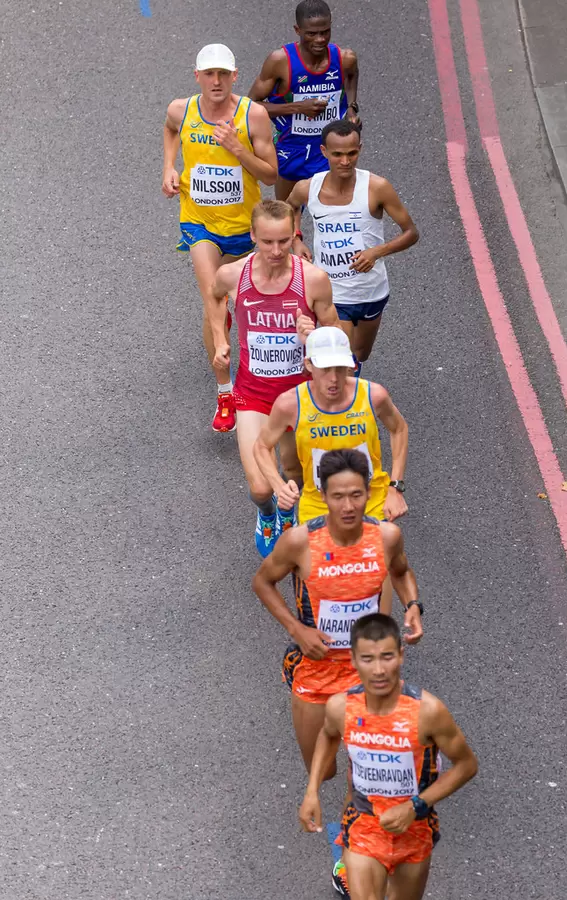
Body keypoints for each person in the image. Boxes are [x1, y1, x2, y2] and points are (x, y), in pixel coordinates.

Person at [252, 449, 423, 780]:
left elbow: (401, 572)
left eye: (357, 495)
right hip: (316, 671)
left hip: (370, 670)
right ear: (324, 496)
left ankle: (357, 821)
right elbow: (262, 582)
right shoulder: (299, 542)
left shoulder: (386, 537)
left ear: (368, 493)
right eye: (339, 496)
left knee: (368, 769)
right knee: (323, 769)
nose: (348, 506)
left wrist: (413, 607)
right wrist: (297, 631)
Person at [299, 613, 478, 900]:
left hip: (415, 828)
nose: (379, 670)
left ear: (401, 656)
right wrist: (311, 791)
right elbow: (328, 735)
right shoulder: (341, 707)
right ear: (355, 660)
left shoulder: (428, 712)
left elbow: (467, 765)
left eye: (387, 657)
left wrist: (415, 805)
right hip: (364, 824)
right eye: (368, 659)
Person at [207, 200, 340, 556]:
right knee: (261, 486)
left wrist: (314, 334)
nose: (277, 250)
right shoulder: (232, 275)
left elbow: (337, 334)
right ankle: (267, 514)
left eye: (284, 241)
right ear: (253, 236)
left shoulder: (312, 280)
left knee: (293, 470)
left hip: (299, 396)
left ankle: (288, 512)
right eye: (267, 242)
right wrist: (220, 339)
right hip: (253, 395)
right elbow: (215, 299)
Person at [162, 43, 278, 433]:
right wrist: (169, 168)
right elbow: (170, 128)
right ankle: (226, 391)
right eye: (209, 74)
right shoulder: (183, 109)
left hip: (244, 230)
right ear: (197, 76)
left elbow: (270, 176)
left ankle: (231, 340)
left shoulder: (253, 116)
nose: (216, 81)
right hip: (200, 221)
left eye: (223, 74)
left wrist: (237, 148)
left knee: (238, 301)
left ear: (235, 76)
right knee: (213, 295)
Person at [288, 120, 419, 372]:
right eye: (337, 154)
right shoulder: (307, 188)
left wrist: (376, 252)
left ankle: (348, 386)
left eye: (352, 153)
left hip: (372, 291)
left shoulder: (377, 188)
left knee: (360, 354)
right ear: (324, 151)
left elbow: (411, 233)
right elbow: (289, 208)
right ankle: (345, 404)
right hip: (332, 292)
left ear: (360, 149)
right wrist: (296, 239)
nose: (345, 162)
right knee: (343, 359)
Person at [253, 326, 409, 525]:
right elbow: (261, 446)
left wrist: (396, 488)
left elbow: (399, 428)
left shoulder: (373, 395)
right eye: (325, 369)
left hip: (371, 502)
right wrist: (278, 486)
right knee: (309, 557)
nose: (334, 378)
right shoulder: (290, 404)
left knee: (384, 555)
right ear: (309, 364)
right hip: (318, 508)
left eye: (340, 368)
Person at [248, 0, 359, 200]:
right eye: (312, 34)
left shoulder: (345, 58)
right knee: (287, 214)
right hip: (293, 149)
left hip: (332, 150)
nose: (320, 39)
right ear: (297, 30)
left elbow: (351, 77)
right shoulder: (280, 61)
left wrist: (351, 109)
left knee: (333, 212)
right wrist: (298, 107)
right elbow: (251, 105)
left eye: (325, 32)